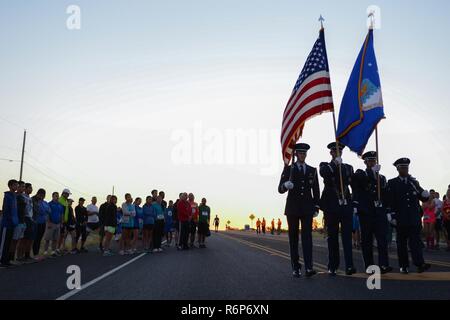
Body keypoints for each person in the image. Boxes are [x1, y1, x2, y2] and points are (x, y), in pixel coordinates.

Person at [278, 143, 320, 277]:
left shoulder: (312, 170)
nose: (303, 155)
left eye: (304, 153)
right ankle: (295, 267)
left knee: (307, 238)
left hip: (307, 208)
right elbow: (279, 189)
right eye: (300, 153)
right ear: (296, 154)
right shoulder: (288, 169)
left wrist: (316, 207)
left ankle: (309, 267)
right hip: (293, 208)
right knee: (293, 238)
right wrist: (285, 185)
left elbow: (316, 191)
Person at [386, 158, 431, 274]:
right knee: (401, 244)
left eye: (406, 168)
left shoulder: (413, 182)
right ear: (398, 169)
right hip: (400, 218)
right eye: (403, 168)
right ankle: (403, 265)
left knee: (415, 242)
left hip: (414, 217)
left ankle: (419, 263)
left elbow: (423, 197)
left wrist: (425, 195)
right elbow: (390, 201)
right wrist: (391, 215)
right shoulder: (392, 183)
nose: (405, 170)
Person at [352, 151, 392, 274]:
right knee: (367, 241)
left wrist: (388, 211)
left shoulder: (382, 178)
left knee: (382, 240)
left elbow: (386, 195)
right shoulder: (361, 174)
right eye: (369, 161)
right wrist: (372, 172)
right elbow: (358, 183)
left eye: (374, 160)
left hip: (379, 212)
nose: (372, 162)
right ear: (365, 162)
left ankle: (384, 265)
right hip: (366, 212)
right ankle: (369, 266)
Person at [319, 142, 356, 276]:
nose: (337, 153)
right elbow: (324, 173)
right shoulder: (325, 165)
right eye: (334, 152)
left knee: (347, 238)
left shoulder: (348, 168)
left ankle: (350, 266)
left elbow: (354, 185)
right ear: (331, 153)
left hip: (346, 206)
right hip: (331, 206)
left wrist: (354, 204)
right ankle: (333, 266)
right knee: (332, 237)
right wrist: (335, 164)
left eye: (339, 151)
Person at [0, 180, 19, 268]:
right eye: (15, 185)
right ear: (10, 186)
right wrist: (9, 220)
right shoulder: (7, 196)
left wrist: (15, 221)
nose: (16, 187)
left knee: (8, 242)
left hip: (12, 224)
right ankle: (1, 260)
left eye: (17, 185)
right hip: (6, 224)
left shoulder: (14, 196)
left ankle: (6, 259)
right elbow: (6, 210)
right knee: (3, 243)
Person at [18, 183, 35, 263]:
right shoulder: (23, 197)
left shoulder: (30, 198)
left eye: (31, 188)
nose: (31, 189)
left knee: (30, 239)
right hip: (25, 218)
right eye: (29, 188)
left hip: (30, 219)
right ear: (25, 189)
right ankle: (19, 256)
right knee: (23, 239)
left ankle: (27, 255)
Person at [43, 192, 64, 257]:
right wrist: (48, 222)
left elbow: (61, 214)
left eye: (58, 196)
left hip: (58, 224)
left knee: (55, 239)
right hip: (51, 223)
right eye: (55, 196)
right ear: (52, 196)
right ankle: (45, 251)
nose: (57, 197)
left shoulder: (60, 205)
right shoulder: (49, 204)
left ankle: (53, 251)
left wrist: (61, 223)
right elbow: (47, 214)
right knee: (47, 239)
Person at [10, 181, 26, 265]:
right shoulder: (15, 196)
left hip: (23, 222)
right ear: (18, 187)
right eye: (22, 186)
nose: (23, 188)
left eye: (24, 187)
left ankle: (17, 257)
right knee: (14, 241)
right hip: (17, 222)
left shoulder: (22, 197)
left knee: (19, 240)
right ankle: (11, 258)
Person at [32, 189, 49, 257]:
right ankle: (33, 253)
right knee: (35, 238)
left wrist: (44, 210)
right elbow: (40, 210)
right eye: (41, 195)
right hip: (36, 222)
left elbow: (49, 210)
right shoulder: (34, 200)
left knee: (39, 239)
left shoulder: (44, 202)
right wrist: (44, 210)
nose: (43, 197)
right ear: (38, 194)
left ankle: (36, 253)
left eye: (44, 195)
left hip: (43, 222)